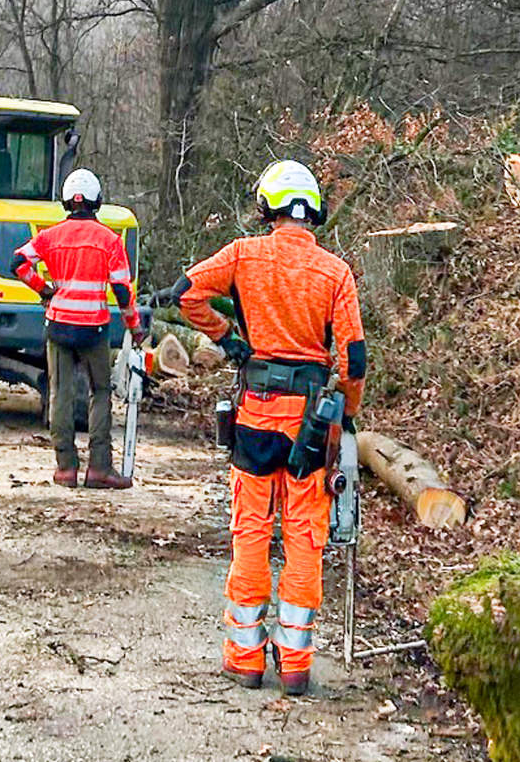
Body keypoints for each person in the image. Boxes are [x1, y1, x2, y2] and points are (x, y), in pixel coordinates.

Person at [176, 159, 365, 697]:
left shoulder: (242, 254)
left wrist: (227, 338)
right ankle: (298, 664)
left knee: (251, 533)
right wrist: (346, 416)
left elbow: (186, 290)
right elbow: (353, 360)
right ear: (312, 213)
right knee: (306, 538)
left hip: (256, 417)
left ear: (268, 208)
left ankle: (245, 657)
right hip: (312, 423)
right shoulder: (335, 272)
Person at [11, 168, 145, 489]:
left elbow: (17, 263)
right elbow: (123, 291)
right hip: (94, 329)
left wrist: (44, 290)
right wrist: (134, 326)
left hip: (58, 325)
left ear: (66, 201)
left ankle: (65, 468)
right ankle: (99, 469)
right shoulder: (110, 240)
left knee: (61, 393)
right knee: (100, 391)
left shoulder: (49, 236)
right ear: (97, 202)